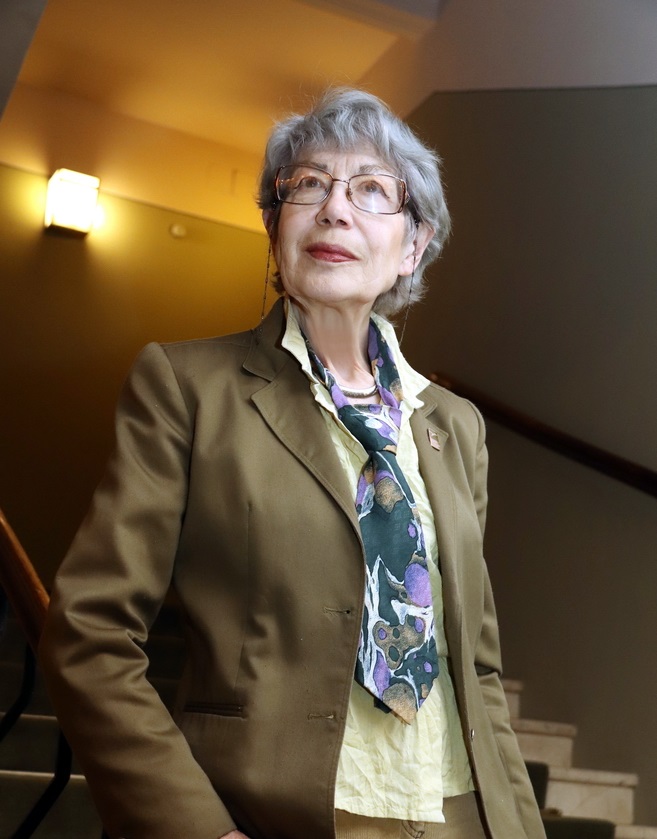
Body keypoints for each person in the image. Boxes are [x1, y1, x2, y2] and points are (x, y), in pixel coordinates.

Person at [39, 88, 546, 839]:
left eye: (370, 189)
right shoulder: (186, 387)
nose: (335, 209)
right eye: (308, 184)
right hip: (279, 813)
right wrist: (198, 831)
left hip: (459, 815)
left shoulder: (454, 424)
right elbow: (91, 633)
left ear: (412, 246)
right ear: (275, 225)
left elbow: (475, 667)